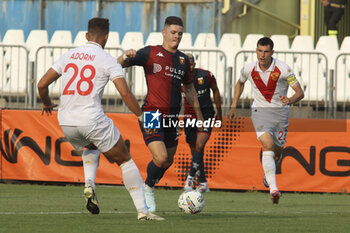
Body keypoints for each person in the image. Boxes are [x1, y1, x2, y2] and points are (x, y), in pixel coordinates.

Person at [37, 17, 164, 220]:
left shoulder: (68, 55)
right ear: (106, 37)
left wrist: (45, 103)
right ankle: (143, 211)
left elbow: (42, 84)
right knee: (125, 160)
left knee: (92, 146)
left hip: (66, 121)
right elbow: (125, 93)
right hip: (91, 118)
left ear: (86, 35)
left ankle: (89, 183)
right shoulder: (106, 59)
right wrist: (142, 118)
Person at [118, 16, 204, 212]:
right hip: (152, 113)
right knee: (160, 156)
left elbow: (190, 89)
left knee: (167, 160)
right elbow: (119, 64)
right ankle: (147, 188)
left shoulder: (183, 59)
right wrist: (126, 56)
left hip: (172, 118)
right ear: (164, 32)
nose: (176, 37)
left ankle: (149, 185)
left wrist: (199, 116)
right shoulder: (150, 52)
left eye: (180, 34)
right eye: (173, 33)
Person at [227, 37, 304, 204]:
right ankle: (273, 189)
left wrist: (290, 100)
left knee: (276, 152)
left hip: (280, 115)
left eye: (266, 51)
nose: (262, 55)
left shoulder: (283, 69)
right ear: (256, 51)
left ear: (272, 52)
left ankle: (268, 177)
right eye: (260, 51)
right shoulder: (248, 68)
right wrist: (234, 105)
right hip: (259, 112)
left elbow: (299, 92)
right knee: (267, 145)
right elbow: (240, 83)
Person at [182, 53, 222, 193]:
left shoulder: (206, 76)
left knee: (199, 145)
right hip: (188, 118)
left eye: (192, 64)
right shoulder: (179, 78)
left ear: (194, 63)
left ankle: (190, 179)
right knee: (195, 152)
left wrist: (220, 113)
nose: (190, 67)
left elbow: (216, 91)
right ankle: (204, 183)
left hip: (206, 115)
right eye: (188, 65)